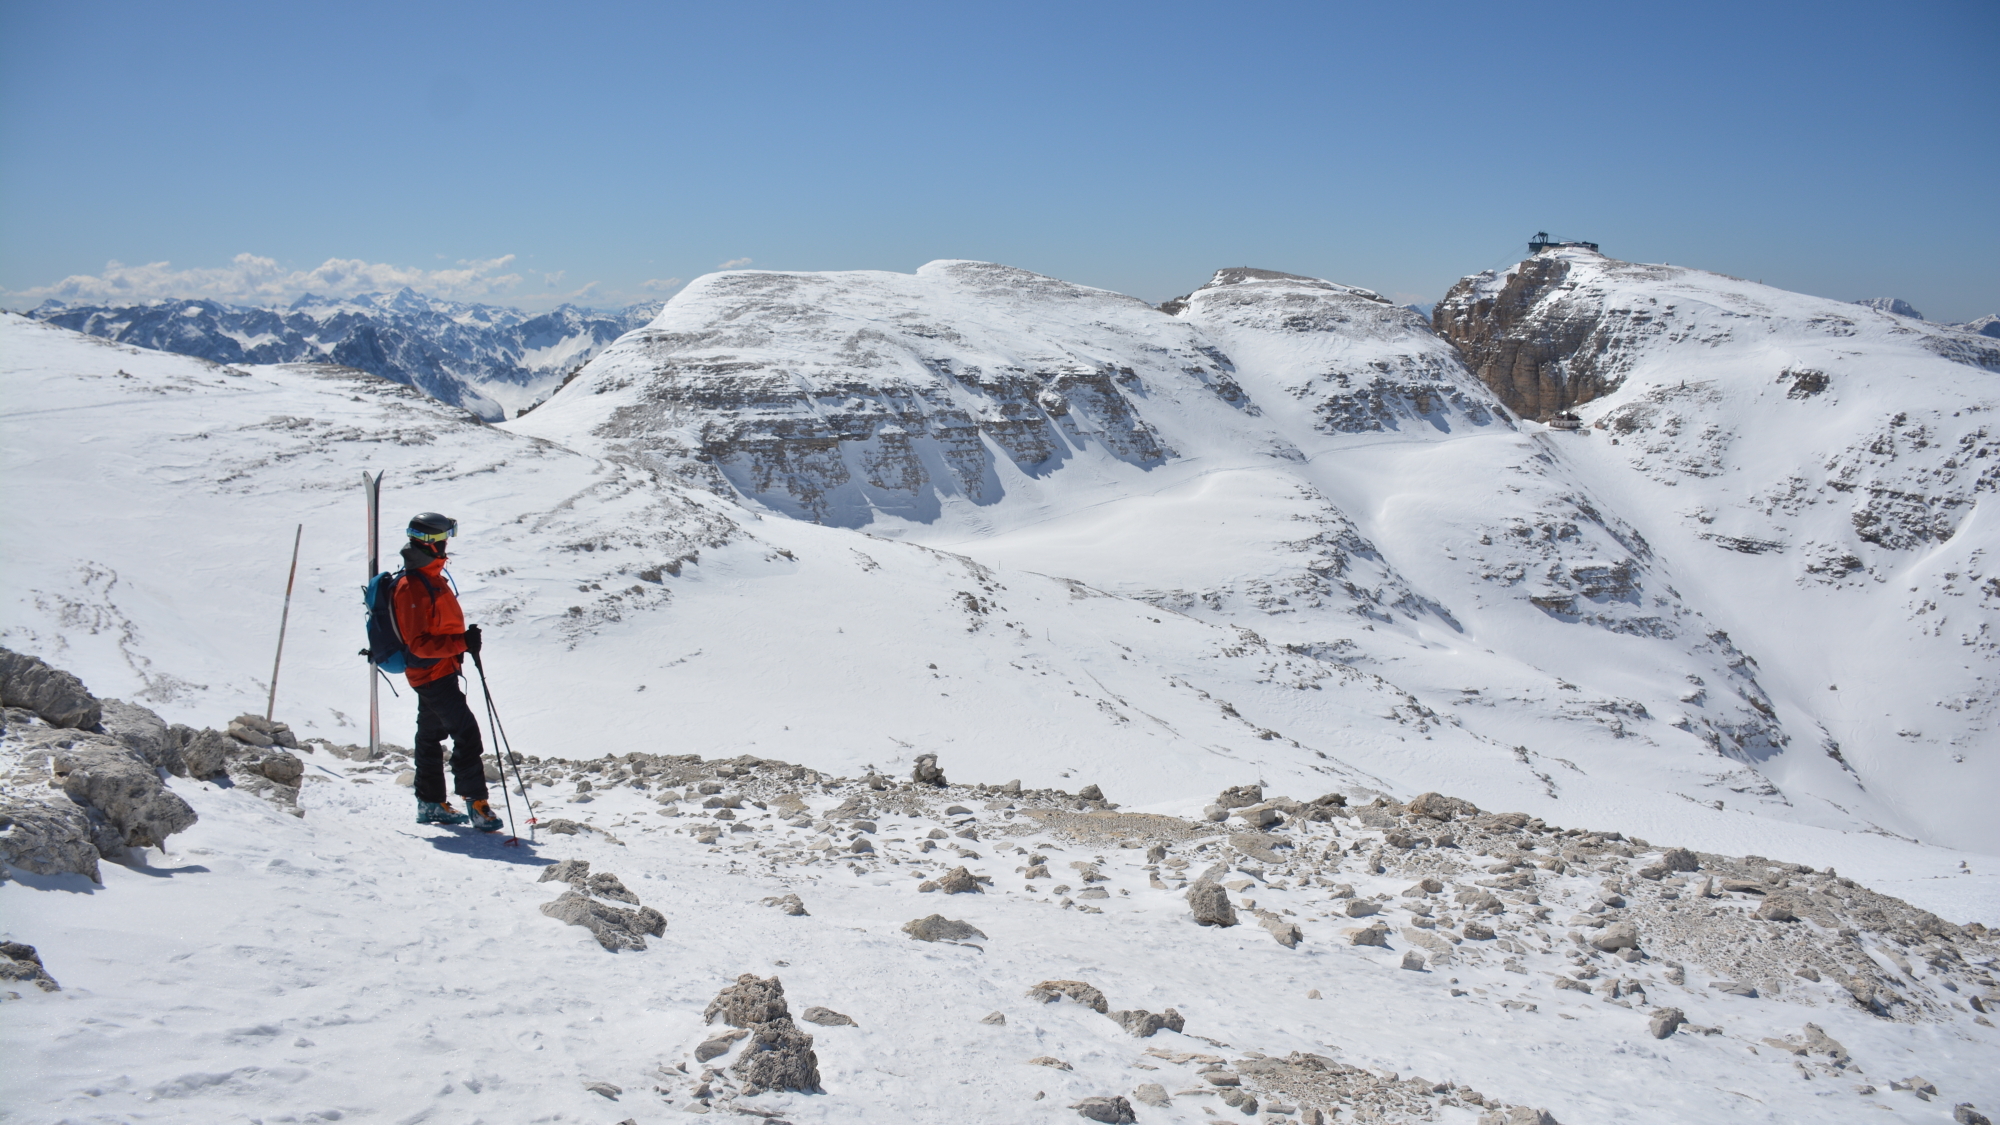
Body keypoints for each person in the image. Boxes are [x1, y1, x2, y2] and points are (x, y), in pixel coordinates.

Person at [393, 512, 502, 832]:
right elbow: (419, 645)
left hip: (439, 669)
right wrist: (461, 643)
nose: (447, 544)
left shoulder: (429, 576)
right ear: (430, 541)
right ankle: (477, 804)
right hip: (432, 673)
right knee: (466, 732)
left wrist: (461, 644)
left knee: (430, 735)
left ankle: (430, 803)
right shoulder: (412, 586)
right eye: (443, 538)